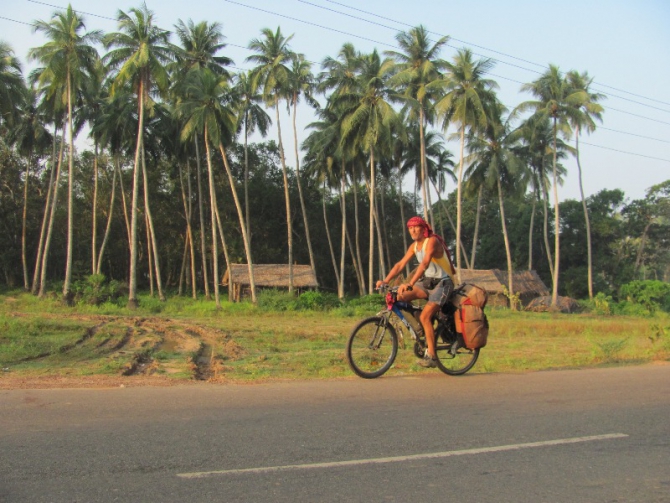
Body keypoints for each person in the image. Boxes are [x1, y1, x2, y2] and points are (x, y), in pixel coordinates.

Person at [375, 216, 456, 368]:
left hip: (443, 283)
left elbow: (425, 263)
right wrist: (385, 281)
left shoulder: (431, 241)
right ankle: (421, 329)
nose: (412, 230)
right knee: (399, 297)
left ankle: (431, 356)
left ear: (423, 228)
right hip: (428, 282)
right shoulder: (414, 246)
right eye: (410, 228)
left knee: (426, 315)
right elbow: (400, 265)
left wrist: (410, 283)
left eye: (415, 227)